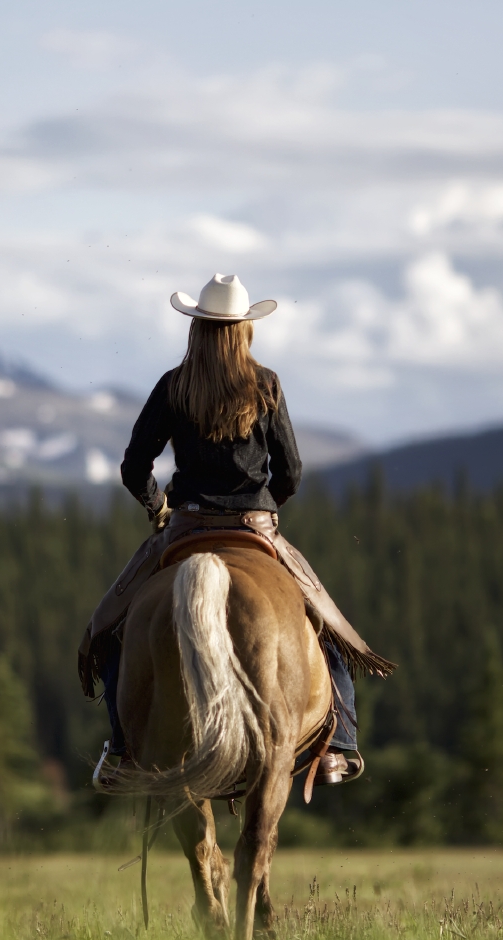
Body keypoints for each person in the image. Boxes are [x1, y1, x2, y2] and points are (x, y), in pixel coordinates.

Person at [77, 273, 394, 794]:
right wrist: (269, 509)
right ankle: (340, 745)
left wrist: (159, 509)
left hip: (184, 528)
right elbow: (289, 470)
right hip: (256, 528)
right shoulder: (265, 384)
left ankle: (122, 749)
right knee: (329, 628)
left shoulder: (172, 385)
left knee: (110, 631)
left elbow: (135, 467)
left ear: (197, 328)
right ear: (245, 330)